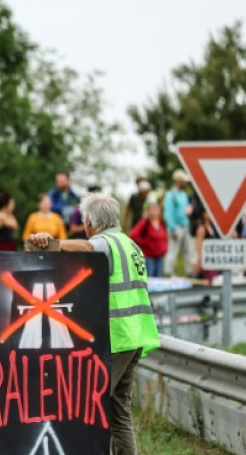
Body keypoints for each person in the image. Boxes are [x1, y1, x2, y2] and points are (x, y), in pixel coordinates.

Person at [27, 193, 160, 455]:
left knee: (87, 407)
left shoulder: (105, 243)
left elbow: (90, 249)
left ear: (89, 221)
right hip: (135, 336)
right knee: (119, 411)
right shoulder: (131, 245)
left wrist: (52, 244)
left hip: (117, 337)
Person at [128, 200, 168, 278]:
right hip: (149, 257)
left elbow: (164, 237)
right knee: (150, 279)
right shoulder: (144, 223)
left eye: (155, 209)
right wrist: (144, 243)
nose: (153, 211)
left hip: (160, 257)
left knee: (159, 279)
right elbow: (133, 234)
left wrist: (165, 248)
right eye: (151, 209)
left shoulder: (161, 223)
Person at [163, 169, 192, 277]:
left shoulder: (184, 195)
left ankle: (190, 272)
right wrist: (172, 229)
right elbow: (168, 213)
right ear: (178, 181)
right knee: (173, 251)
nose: (185, 183)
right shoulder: (170, 195)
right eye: (183, 181)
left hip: (185, 225)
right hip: (175, 227)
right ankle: (169, 273)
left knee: (187, 251)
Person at [191, 208, 221, 284]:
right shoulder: (202, 228)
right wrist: (201, 259)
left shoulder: (213, 228)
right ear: (204, 214)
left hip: (213, 260)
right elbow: (198, 245)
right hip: (205, 261)